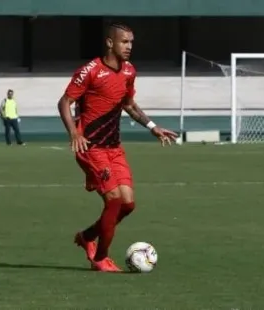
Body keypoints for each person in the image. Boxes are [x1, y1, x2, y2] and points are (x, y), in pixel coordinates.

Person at [57, 23, 178, 272]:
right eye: (124, 42)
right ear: (110, 43)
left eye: (132, 42)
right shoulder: (90, 70)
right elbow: (65, 102)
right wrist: (74, 133)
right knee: (113, 200)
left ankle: (87, 236)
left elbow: (129, 105)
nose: (129, 47)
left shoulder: (129, 71)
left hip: (114, 147)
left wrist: (152, 126)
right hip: (91, 146)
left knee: (128, 204)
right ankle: (100, 258)